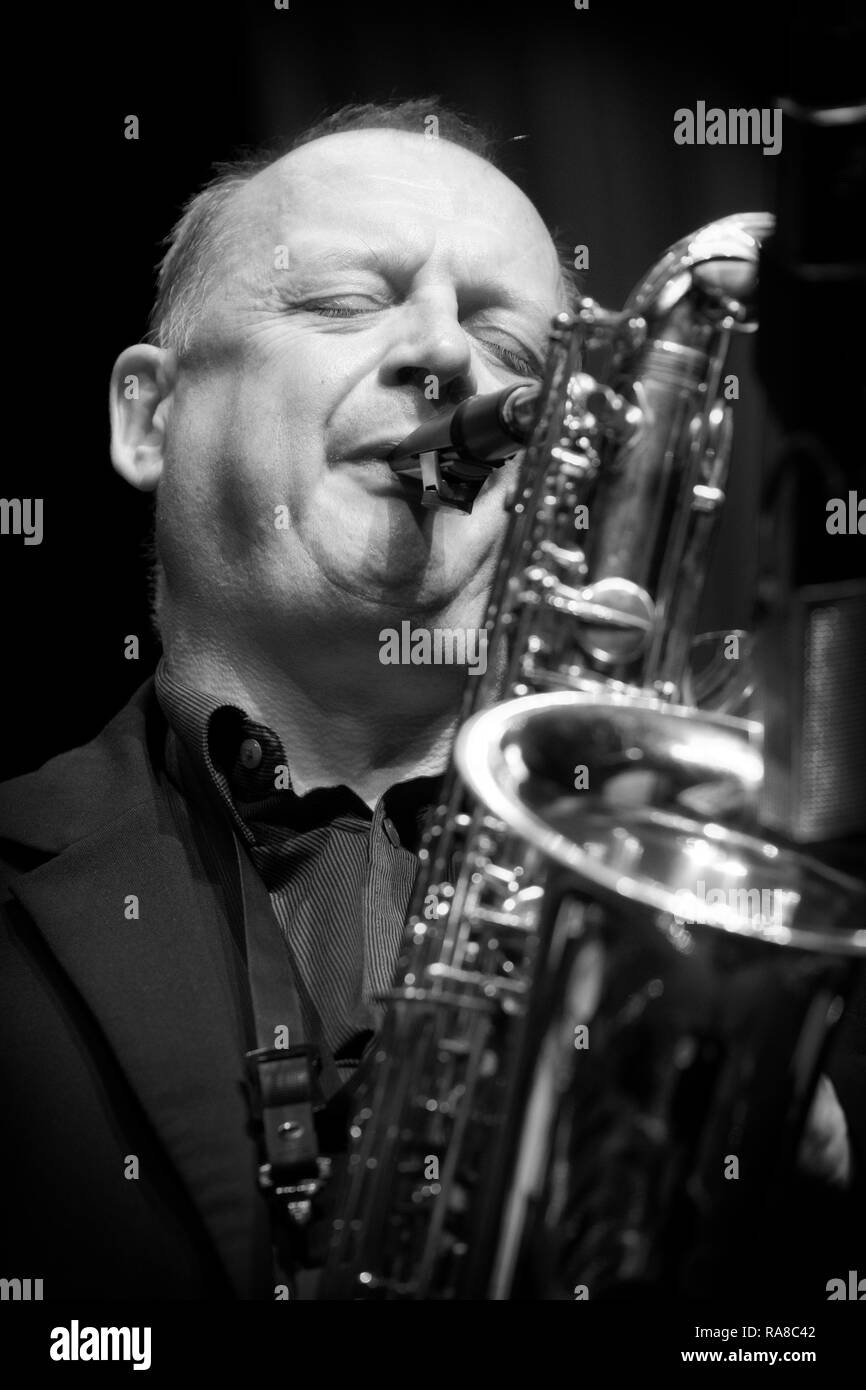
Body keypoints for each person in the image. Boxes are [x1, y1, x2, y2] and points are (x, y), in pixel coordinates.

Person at [0, 99, 859, 1302]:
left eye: (512, 349)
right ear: (149, 416)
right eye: (347, 301)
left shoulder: (746, 931)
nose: (447, 357)